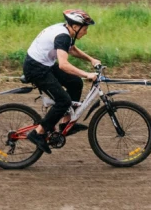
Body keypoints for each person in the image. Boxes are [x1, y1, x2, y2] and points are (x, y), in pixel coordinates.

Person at [23, 9, 100, 154]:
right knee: (63, 100)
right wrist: (87, 74)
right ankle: (37, 133)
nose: (86, 32)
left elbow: (71, 49)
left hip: (45, 65)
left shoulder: (66, 30)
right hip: (36, 69)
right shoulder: (63, 36)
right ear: (76, 27)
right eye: (85, 28)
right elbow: (63, 65)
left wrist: (91, 59)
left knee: (75, 83)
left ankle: (66, 124)